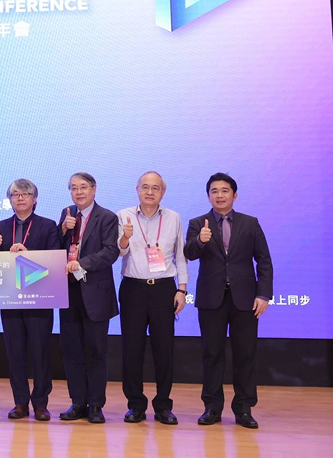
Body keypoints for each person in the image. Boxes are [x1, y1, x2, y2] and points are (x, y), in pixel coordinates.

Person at [184, 173, 273, 429]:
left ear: (234, 195)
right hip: (211, 299)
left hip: (245, 299)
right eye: (214, 191)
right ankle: (212, 407)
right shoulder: (197, 223)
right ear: (208, 196)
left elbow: (264, 260)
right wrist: (200, 241)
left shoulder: (250, 223)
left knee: (245, 354)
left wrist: (263, 294)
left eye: (225, 190)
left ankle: (244, 408)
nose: (219, 195)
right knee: (212, 354)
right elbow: (188, 253)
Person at [116, 171, 188, 425]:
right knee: (131, 349)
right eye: (145, 187)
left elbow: (180, 255)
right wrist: (125, 237)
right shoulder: (123, 215)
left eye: (155, 188)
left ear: (162, 192)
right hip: (133, 288)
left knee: (164, 349)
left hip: (164, 289)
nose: (149, 192)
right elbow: (118, 252)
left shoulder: (173, 217)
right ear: (137, 189)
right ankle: (135, 405)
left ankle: (163, 405)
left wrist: (182, 289)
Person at [0, 179, 61, 421]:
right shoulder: (0, 227)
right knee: (15, 352)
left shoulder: (48, 226)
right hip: (10, 298)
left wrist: (28, 255)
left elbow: (55, 258)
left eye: (25, 194)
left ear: (35, 199)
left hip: (40, 298)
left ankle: (40, 403)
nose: (20, 198)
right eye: (15, 194)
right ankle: (20, 402)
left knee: (41, 352)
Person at [57, 172, 119, 424]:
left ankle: (95, 404)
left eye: (83, 187)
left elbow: (111, 251)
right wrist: (63, 230)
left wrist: (81, 263)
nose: (78, 192)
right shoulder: (67, 214)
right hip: (69, 291)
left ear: (94, 189)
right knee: (72, 350)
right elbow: (57, 247)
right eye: (74, 188)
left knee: (96, 351)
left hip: (95, 292)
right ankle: (77, 402)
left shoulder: (107, 217)